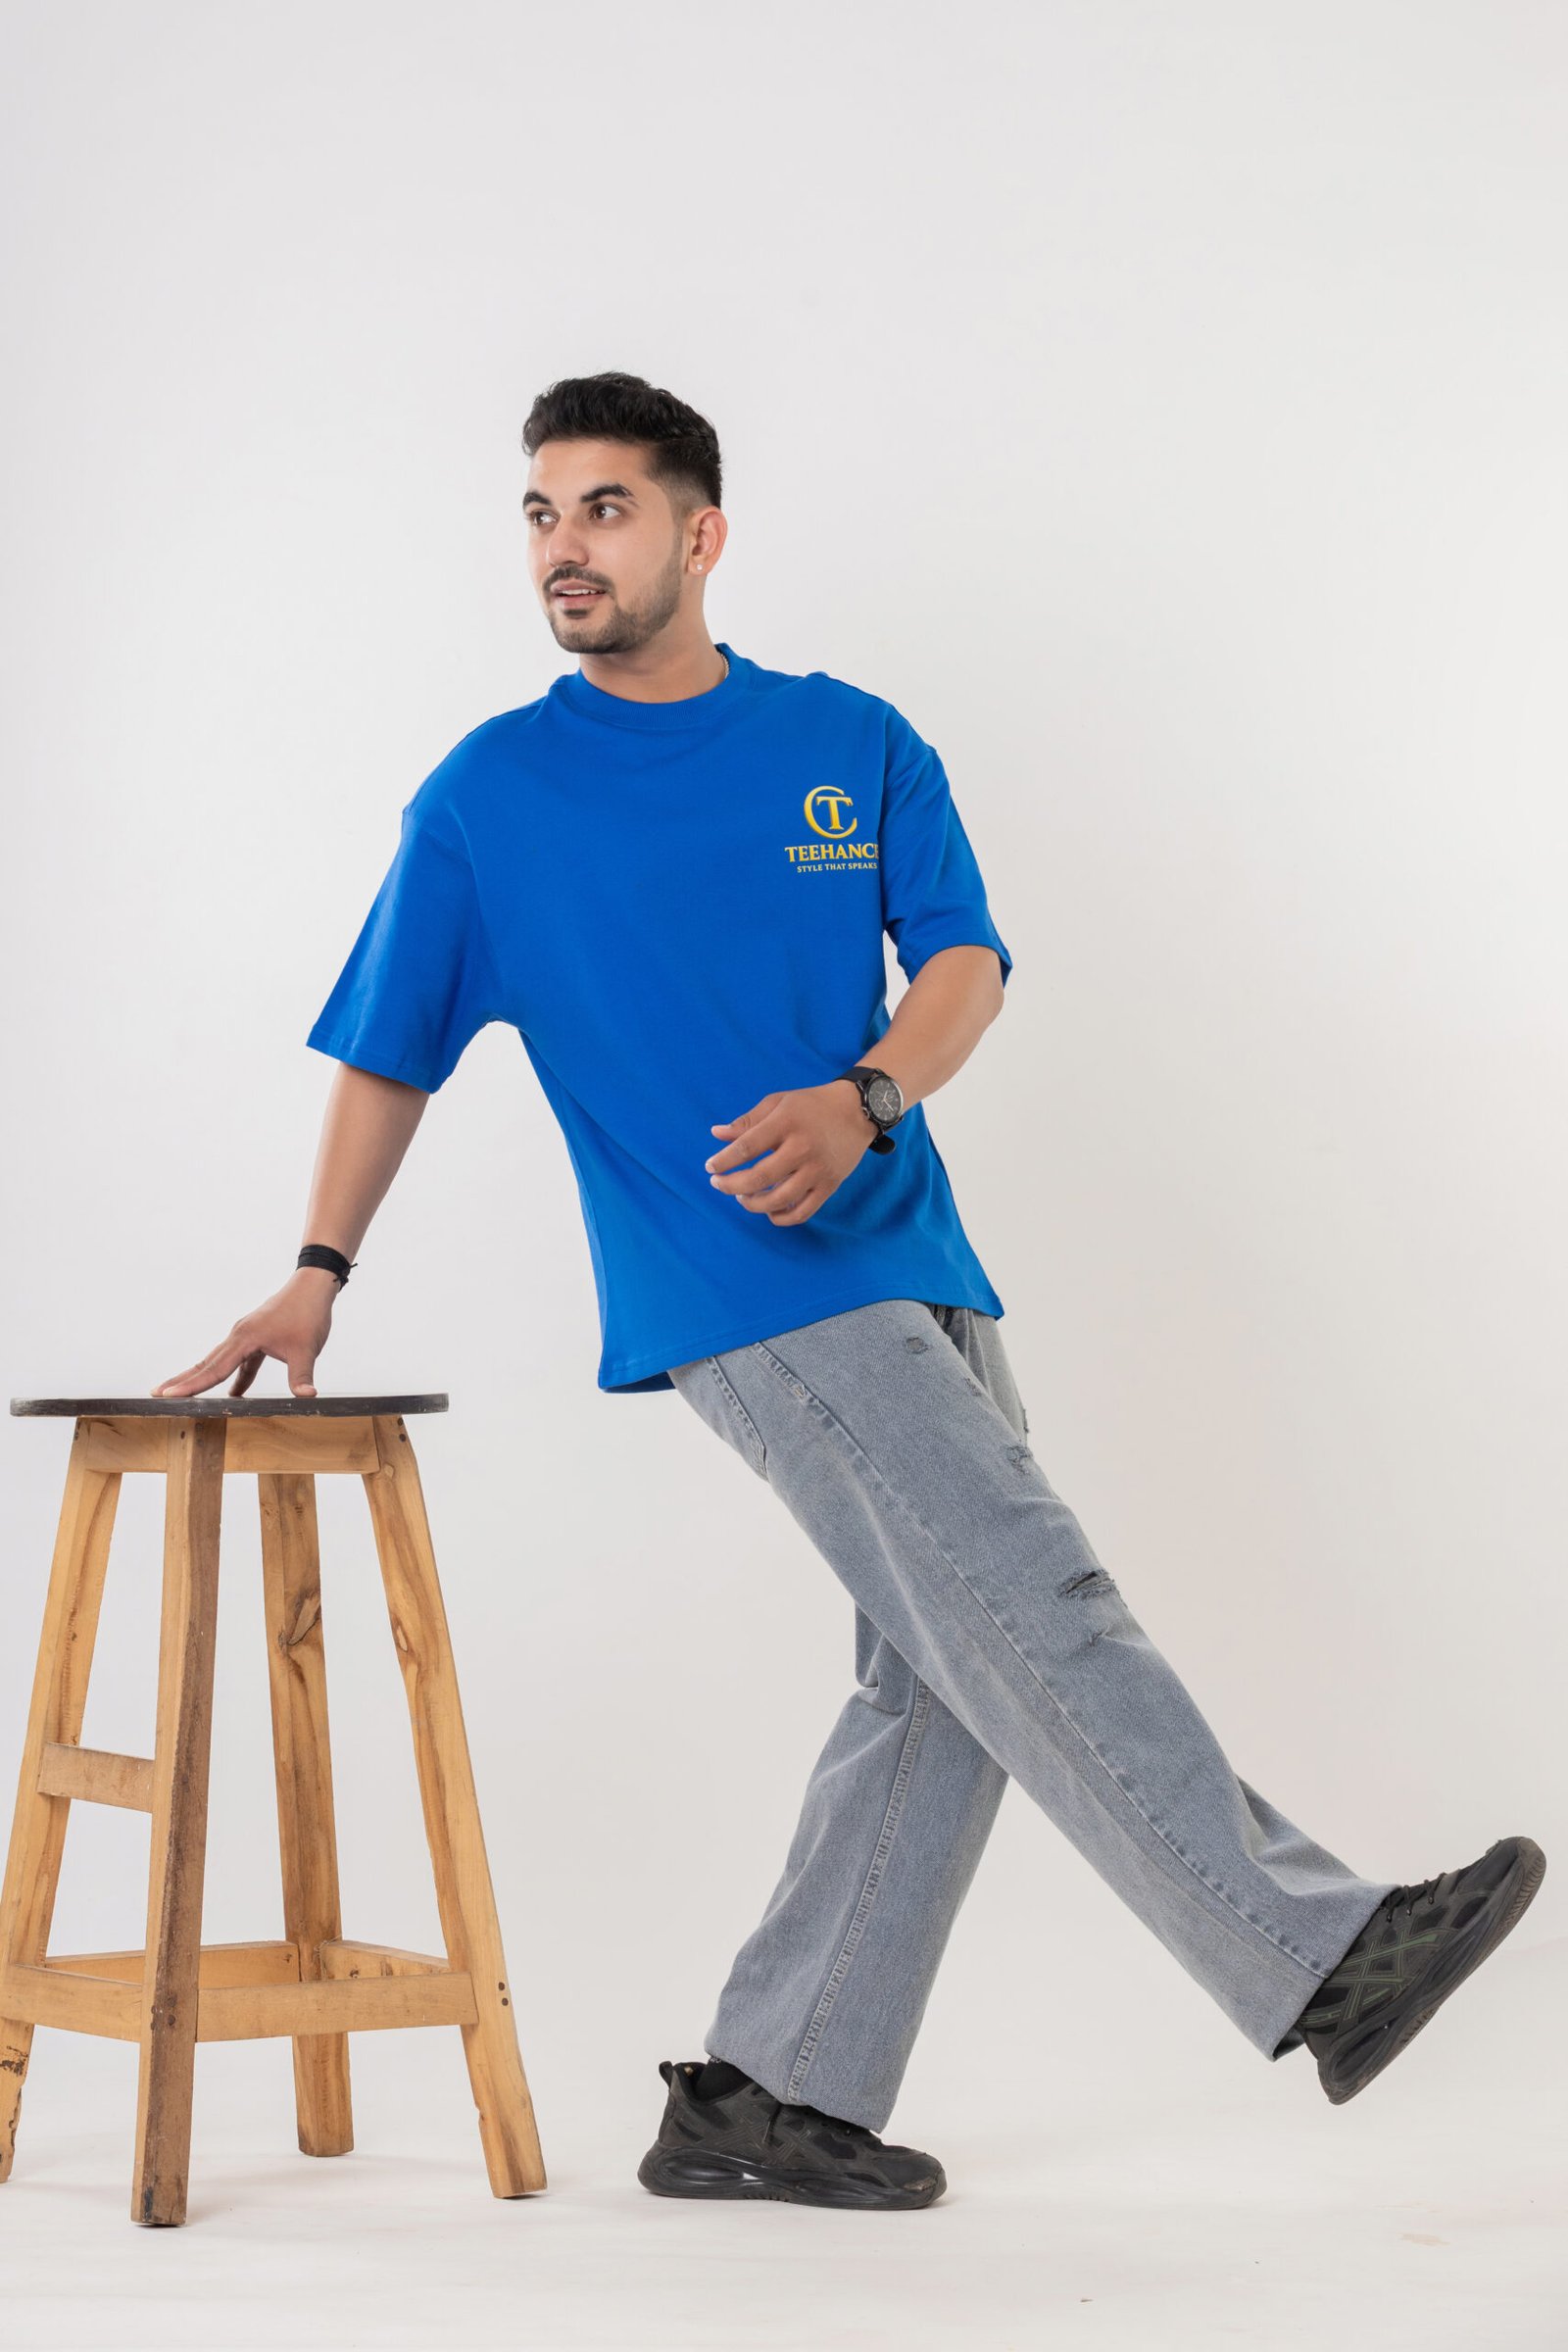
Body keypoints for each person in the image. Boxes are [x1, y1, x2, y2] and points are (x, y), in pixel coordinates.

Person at [151, 369, 1545, 2213]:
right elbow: (388, 1049)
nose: (566, 547)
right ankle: (1319, 1957)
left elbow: (966, 967)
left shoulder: (851, 740)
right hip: (741, 1286)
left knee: (946, 1680)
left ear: (701, 532)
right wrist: (317, 1270)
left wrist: (868, 1094)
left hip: (922, 1261)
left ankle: (769, 2091)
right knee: (1035, 1605)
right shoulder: (491, 797)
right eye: (542, 514)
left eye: (605, 509)